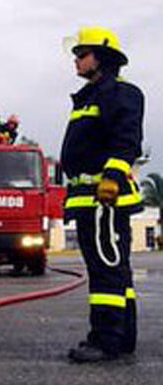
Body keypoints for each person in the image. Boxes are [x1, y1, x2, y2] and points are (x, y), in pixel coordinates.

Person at [60, 27, 144, 363]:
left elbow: (127, 139)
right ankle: (123, 336)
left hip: (103, 199)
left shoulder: (118, 93)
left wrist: (111, 177)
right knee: (114, 270)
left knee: (107, 269)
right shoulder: (92, 96)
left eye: (82, 54)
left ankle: (105, 340)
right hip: (89, 198)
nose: (76, 61)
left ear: (102, 56)